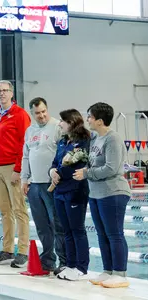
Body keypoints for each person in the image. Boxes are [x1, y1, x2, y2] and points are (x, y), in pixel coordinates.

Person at [73, 102, 131, 288]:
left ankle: (120, 273)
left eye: (90, 116)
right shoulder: (96, 138)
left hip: (113, 192)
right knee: (101, 234)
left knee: (114, 234)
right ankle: (108, 270)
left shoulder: (112, 139)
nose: (87, 119)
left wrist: (87, 173)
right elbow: (94, 164)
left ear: (99, 120)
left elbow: (112, 168)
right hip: (97, 193)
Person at [0, 80, 31, 267]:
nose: (2, 93)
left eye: (5, 90)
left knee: (19, 210)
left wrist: (18, 169)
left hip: (12, 168)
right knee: (5, 212)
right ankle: (7, 250)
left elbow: (25, 143)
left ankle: (23, 251)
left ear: (12, 93)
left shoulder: (20, 114)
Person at [21, 97, 66, 274]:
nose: (41, 116)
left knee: (57, 224)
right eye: (37, 113)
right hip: (34, 184)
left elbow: (64, 153)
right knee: (41, 225)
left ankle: (64, 261)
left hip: (51, 184)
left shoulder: (57, 127)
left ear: (47, 109)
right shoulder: (29, 130)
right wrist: (25, 179)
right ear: (32, 113)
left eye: (43, 111)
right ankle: (47, 261)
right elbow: (25, 156)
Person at [50, 109, 91, 281]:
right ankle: (71, 264)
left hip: (75, 191)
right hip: (60, 191)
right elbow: (55, 162)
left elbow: (79, 165)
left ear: (72, 122)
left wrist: (59, 173)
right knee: (66, 230)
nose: (59, 124)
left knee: (77, 230)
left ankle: (81, 267)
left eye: (62, 121)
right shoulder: (62, 141)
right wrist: (52, 171)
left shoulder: (84, 141)